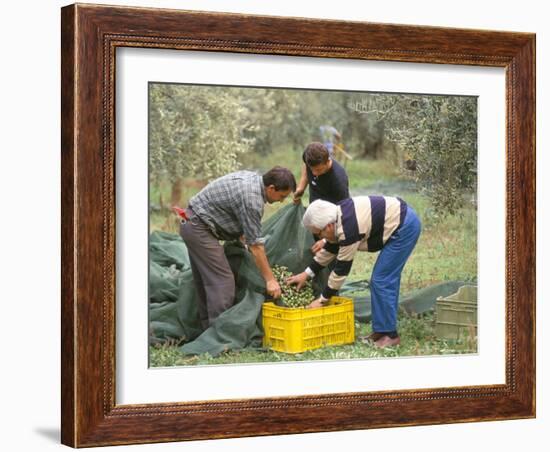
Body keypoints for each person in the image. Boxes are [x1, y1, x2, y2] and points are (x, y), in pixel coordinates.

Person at [287, 196, 421, 348]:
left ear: (328, 226)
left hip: (404, 226)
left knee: (382, 280)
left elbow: (341, 271)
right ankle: (381, 331)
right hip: (398, 219)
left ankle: (390, 335)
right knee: (382, 280)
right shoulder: (337, 216)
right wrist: (306, 274)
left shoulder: (349, 229)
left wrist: (322, 300)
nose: (319, 238)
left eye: (318, 233)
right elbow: (330, 249)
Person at [179, 167, 296, 329]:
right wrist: (270, 280)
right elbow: (256, 246)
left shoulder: (253, 178)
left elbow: (238, 218)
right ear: (271, 188)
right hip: (199, 228)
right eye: (282, 196)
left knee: (205, 279)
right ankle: (220, 336)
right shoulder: (252, 200)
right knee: (222, 281)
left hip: (191, 222)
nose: (282, 200)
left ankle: (207, 329)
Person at [293, 142, 349, 253]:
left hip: (329, 223)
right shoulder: (309, 156)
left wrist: (325, 240)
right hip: (315, 214)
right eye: (312, 169)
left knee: (327, 253)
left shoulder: (338, 181)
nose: (314, 173)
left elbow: (345, 213)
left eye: (318, 170)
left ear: (328, 161)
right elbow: (306, 166)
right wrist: (301, 188)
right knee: (314, 250)